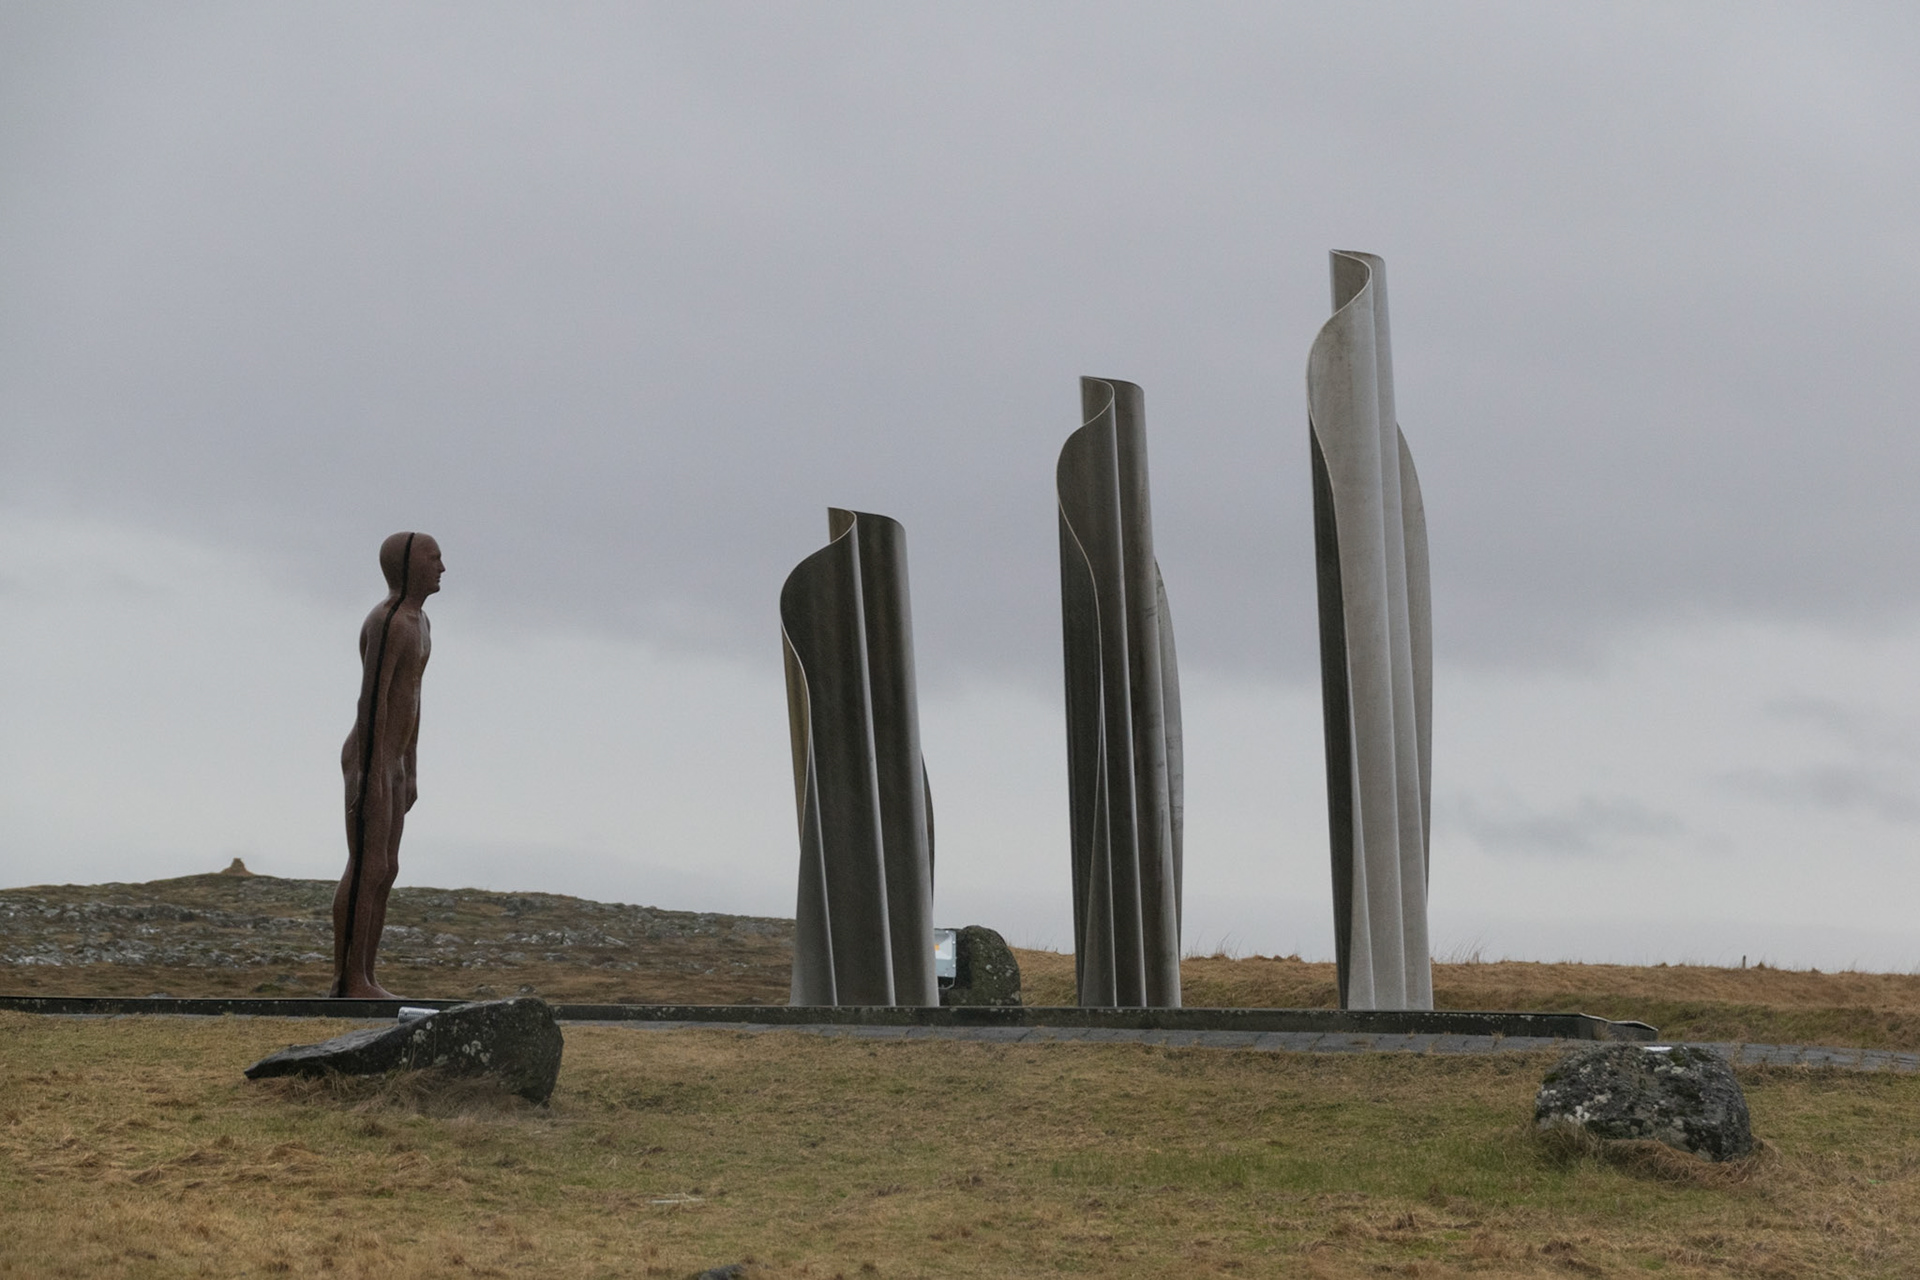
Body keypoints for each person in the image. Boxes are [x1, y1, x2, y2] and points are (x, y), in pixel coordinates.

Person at [331, 532, 445, 999]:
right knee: (367, 865)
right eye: (434, 558)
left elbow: (414, 699)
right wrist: (375, 769)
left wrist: (410, 767)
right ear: (409, 564)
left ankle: (366, 977)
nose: (442, 567)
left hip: (394, 759)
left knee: (387, 867)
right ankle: (348, 979)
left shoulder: (422, 623)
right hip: (370, 757)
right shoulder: (389, 621)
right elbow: (372, 699)